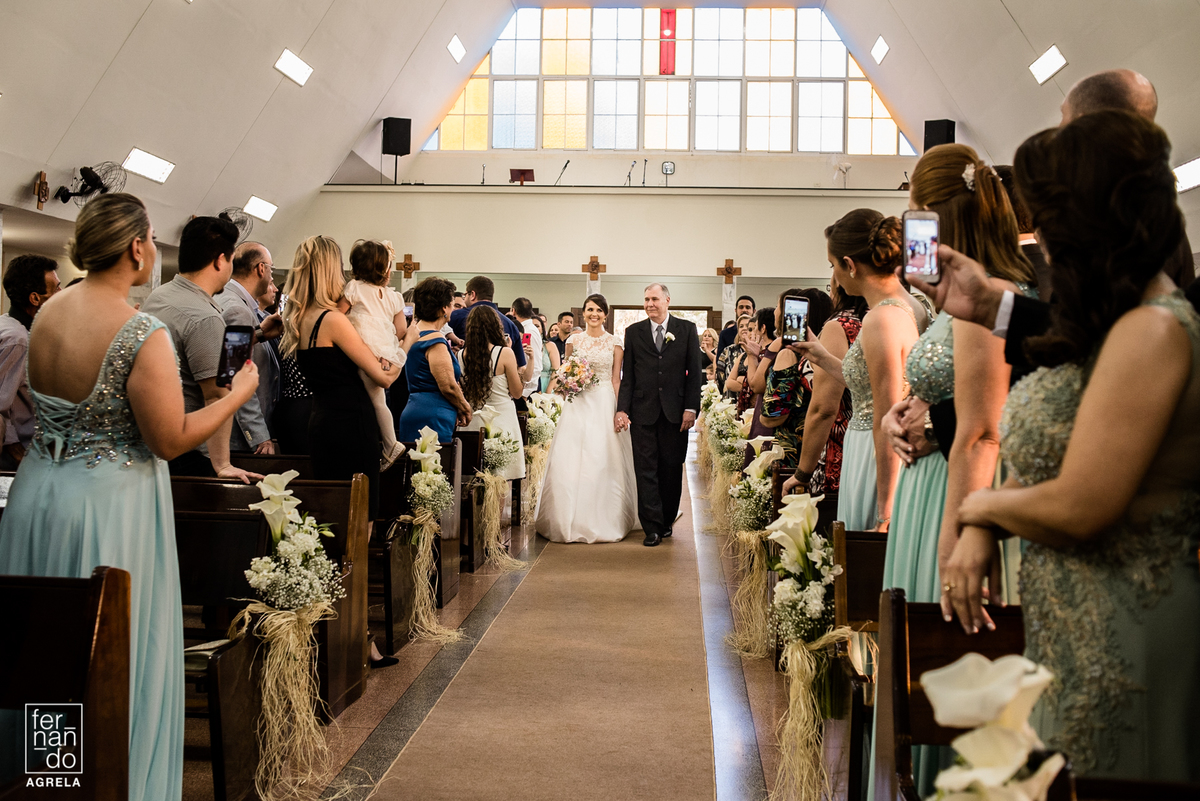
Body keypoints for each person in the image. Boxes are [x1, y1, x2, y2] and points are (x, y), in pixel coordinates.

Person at [942, 110, 1200, 781]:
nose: (1042, 240)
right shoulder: (1125, 320)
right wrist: (987, 300)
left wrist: (980, 511)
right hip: (1080, 627)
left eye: (1050, 220)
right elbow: (1064, 339)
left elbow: (1086, 502)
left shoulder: (1153, 331)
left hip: (1125, 631)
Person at [0, 193, 258, 801]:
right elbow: (169, 440)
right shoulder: (140, 331)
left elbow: (40, 409)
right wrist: (237, 393)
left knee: (45, 655)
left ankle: (47, 782)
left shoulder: (48, 316)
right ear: (138, 247)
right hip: (110, 507)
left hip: (38, 498)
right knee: (112, 655)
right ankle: (115, 782)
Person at [793, 211, 927, 532]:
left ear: (850, 266)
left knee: (864, 554)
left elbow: (886, 416)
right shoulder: (909, 305)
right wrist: (822, 357)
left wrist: (886, 510)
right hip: (868, 445)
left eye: (834, 265)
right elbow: (869, 384)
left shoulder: (880, 319)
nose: (835, 276)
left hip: (874, 453)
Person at [281, 236, 397, 520]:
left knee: (330, 511)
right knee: (360, 515)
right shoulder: (332, 320)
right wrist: (404, 347)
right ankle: (353, 566)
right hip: (353, 424)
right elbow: (384, 378)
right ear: (331, 270)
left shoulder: (296, 318)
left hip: (321, 421)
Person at [141, 215, 263, 483]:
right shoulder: (204, 317)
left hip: (152, 440)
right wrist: (223, 464)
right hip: (189, 450)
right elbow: (217, 395)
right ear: (220, 260)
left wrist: (259, 334)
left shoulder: (158, 297)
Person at [537, 294, 636, 543]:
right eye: (590, 309)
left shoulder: (615, 342)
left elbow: (616, 379)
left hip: (603, 401)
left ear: (606, 314)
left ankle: (605, 518)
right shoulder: (574, 340)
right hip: (578, 402)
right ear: (584, 312)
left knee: (602, 457)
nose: (594, 314)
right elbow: (565, 371)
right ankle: (565, 517)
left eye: (599, 310)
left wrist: (619, 409)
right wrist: (566, 385)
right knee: (569, 457)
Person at [615, 283, 702, 547]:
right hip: (643, 411)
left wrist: (691, 407)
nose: (649, 304)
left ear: (667, 300)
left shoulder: (686, 330)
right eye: (646, 299)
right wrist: (622, 408)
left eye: (654, 299)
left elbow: (695, 373)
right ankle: (651, 527)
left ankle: (665, 521)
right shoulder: (634, 332)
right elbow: (627, 376)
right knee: (646, 469)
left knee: (672, 468)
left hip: (676, 413)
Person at [783, 279, 867, 528]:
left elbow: (825, 408)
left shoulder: (839, 326)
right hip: (874, 441)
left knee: (834, 541)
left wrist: (802, 472)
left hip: (837, 449)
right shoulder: (886, 316)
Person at [343, 239, 407, 470]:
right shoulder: (393, 296)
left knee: (374, 400)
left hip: (364, 347)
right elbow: (401, 330)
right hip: (384, 349)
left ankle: (390, 444)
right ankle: (389, 443)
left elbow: (336, 318)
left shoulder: (354, 289)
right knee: (379, 400)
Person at [215, 241, 281, 455]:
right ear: (261, 269)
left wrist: (260, 333)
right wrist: (260, 436)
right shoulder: (237, 310)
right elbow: (235, 375)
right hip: (239, 437)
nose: (272, 277)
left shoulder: (228, 299)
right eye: (271, 268)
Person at [0, 255, 61, 469]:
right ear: (35, 298)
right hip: (18, 454)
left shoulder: (9, 325)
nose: (61, 295)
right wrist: (14, 449)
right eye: (56, 289)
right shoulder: (17, 340)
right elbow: (0, 404)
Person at [759, 290, 831, 469]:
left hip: (796, 449)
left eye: (778, 306)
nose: (777, 312)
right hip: (828, 448)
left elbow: (772, 417)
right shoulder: (830, 354)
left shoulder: (788, 354)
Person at [397, 277, 472, 443]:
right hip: (434, 415)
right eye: (452, 304)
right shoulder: (436, 340)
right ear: (444, 308)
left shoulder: (413, 333)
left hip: (414, 407)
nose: (453, 309)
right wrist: (465, 407)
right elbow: (448, 386)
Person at [459, 305, 525, 481]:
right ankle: (494, 510)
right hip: (502, 418)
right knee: (500, 478)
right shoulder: (505, 353)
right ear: (495, 326)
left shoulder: (460, 355)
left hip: (473, 420)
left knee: (474, 476)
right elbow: (517, 392)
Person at [449, 276, 530, 380]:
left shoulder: (456, 317)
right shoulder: (510, 325)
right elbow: (520, 366)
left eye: (466, 295)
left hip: (466, 382)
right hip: (499, 386)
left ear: (472, 295)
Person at [715, 314, 753, 401]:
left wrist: (739, 381)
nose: (744, 328)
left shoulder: (758, 351)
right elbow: (720, 376)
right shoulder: (728, 350)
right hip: (730, 399)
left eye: (747, 326)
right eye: (741, 326)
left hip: (750, 401)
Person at [511, 296, 542, 399]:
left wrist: (526, 392)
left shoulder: (529, 331)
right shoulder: (524, 328)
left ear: (513, 311)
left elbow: (535, 362)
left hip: (527, 388)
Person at [534, 316, 560, 391]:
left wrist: (548, 391)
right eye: (532, 326)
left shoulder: (550, 345)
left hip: (546, 385)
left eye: (537, 326)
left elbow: (556, 370)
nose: (534, 328)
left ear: (542, 329)